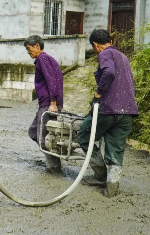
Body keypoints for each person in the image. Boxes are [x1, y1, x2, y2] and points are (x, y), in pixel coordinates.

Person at [77, 29, 139, 197]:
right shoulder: (124, 57)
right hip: (127, 112)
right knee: (115, 149)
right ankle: (112, 188)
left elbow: (109, 72)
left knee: (84, 135)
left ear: (96, 45)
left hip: (108, 110)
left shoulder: (105, 54)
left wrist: (97, 94)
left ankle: (100, 175)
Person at [24, 35, 64, 174]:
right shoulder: (46, 59)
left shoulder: (43, 58)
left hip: (48, 103)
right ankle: (53, 163)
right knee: (34, 132)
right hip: (46, 103)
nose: (28, 52)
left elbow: (51, 80)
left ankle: (53, 168)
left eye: (29, 49)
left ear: (37, 46)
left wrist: (53, 102)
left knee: (44, 137)